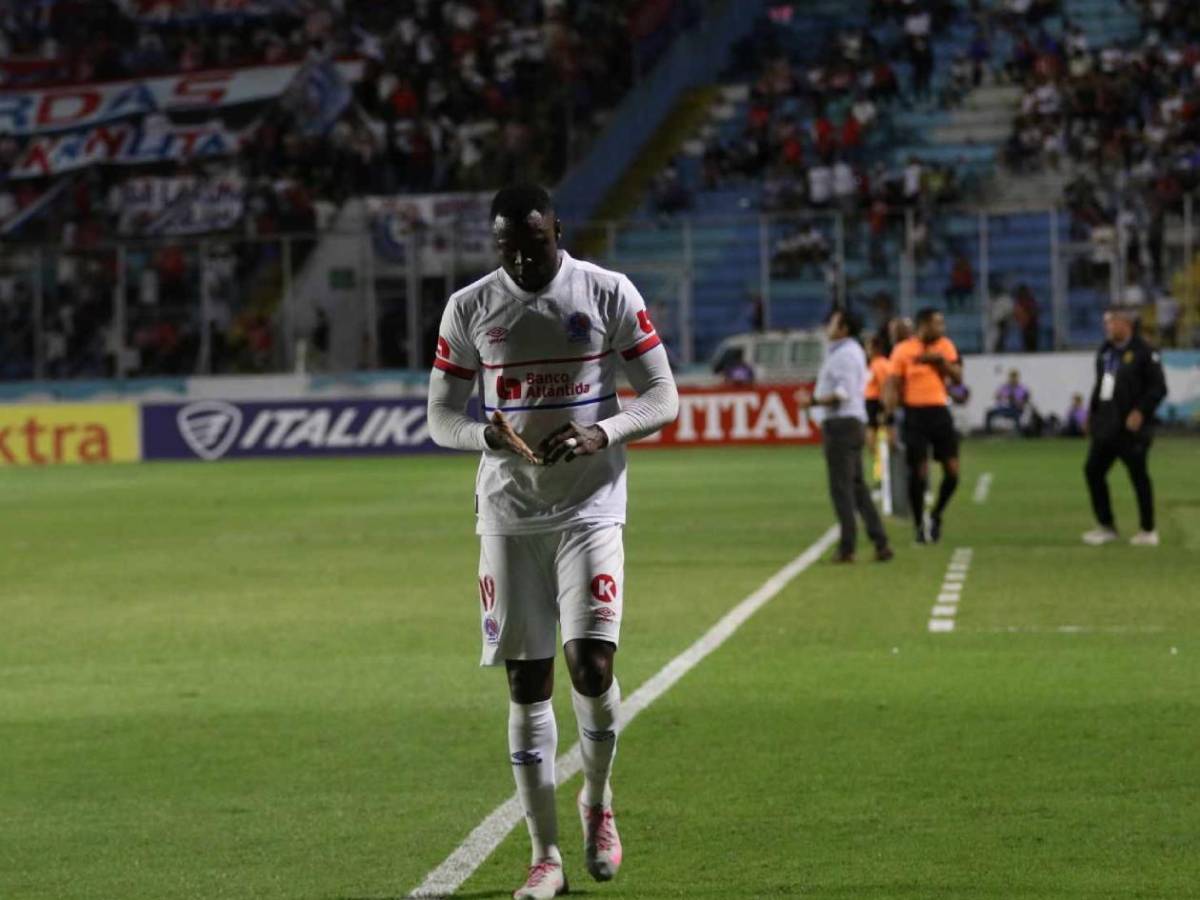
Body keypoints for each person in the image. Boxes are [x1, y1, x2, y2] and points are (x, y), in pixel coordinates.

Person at [426, 184, 680, 898]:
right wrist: (485, 434)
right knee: (526, 682)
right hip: (507, 513)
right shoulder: (471, 307)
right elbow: (440, 416)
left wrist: (604, 430)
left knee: (591, 666)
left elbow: (663, 395)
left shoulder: (606, 292)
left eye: (533, 244)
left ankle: (596, 801)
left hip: (591, 506)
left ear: (558, 230)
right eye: (507, 246)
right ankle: (546, 859)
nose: (521, 259)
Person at [797, 310, 893, 563]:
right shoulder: (848, 352)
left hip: (842, 425)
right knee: (857, 487)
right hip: (851, 423)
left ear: (844, 328)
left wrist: (812, 401)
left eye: (833, 322)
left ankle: (848, 547)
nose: (828, 326)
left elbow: (844, 392)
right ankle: (880, 541)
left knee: (842, 489)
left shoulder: (845, 355)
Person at [1081, 307, 1167, 547]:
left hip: (1132, 429)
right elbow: (1101, 385)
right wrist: (1091, 413)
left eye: (1110, 322)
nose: (1106, 326)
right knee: (1093, 471)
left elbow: (1158, 388)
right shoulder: (1105, 351)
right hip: (1107, 426)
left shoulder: (1144, 351)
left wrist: (1140, 411)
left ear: (1125, 323)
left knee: (1138, 476)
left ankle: (1148, 529)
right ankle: (1106, 525)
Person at [885, 307, 964, 543]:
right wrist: (889, 416)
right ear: (924, 325)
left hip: (940, 411)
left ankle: (937, 514)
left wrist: (940, 362)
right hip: (914, 415)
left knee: (952, 471)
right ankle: (919, 525)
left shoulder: (945, 346)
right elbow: (893, 384)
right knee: (917, 472)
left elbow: (958, 377)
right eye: (937, 324)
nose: (942, 328)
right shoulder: (903, 350)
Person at [863, 333, 892, 483]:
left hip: (877, 406)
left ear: (875, 348)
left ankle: (883, 477)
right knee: (874, 445)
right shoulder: (873, 364)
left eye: (868, 346)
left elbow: (885, 388)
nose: (865, 350)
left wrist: (884, 410)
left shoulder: (881, 365)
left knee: (880, 445)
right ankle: (880, 475)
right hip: (871, 406)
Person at [984, 369, 1031, 434]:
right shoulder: (1005, 387)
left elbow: (1025, 401)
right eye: (1011, 377)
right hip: (1004, 408)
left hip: (1015, 409)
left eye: (1014, 377)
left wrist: (1018, 402)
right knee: (989, 413)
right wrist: (1000, 397)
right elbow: (997, 396)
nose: (1013, 379)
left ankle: (1018, 432)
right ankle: (988, 432)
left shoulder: (1022, 389)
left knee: (1017, 415)